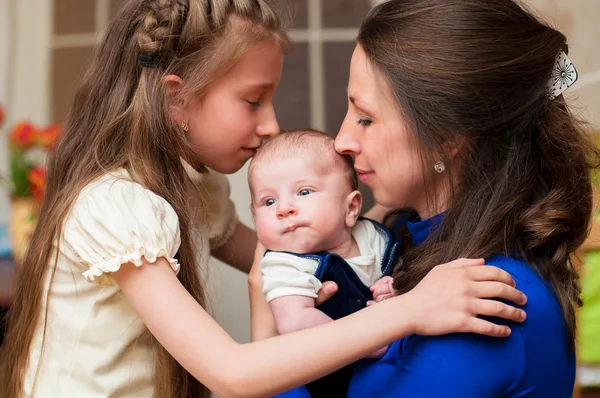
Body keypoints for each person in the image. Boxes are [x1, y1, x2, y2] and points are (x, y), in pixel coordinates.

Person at [0, 1, 528, 397]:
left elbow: (299, 249)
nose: (272, 123)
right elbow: (232, 373)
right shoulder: (115, 205)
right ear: (175, 98)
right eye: (253, 100)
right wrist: (411, 310)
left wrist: (363, 241)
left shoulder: (197, 194)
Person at [260, 0, 598, 397]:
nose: (343, 140)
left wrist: (267, 320)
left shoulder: (484, 299)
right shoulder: (404, 246)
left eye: (366, 118)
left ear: (446, 139)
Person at [249, 129, 395, 396]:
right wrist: (369, 338)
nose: (284, 208)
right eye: (268, 201)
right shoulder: (284, 264)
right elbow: (294, 321)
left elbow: (402, 272)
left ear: (350, 208)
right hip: (324, 384)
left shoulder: (373, 236)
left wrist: (393, 289)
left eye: (304, 192)